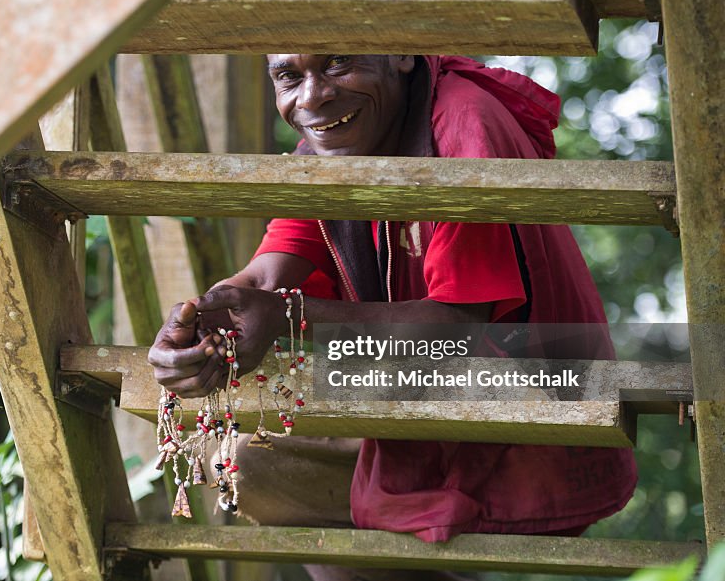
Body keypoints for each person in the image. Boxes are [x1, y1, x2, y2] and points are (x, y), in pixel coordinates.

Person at [148, 54, 637, 581]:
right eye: (289, 76)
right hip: (415, 410)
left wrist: (287, 315)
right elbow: (265, 279)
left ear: (401, 53)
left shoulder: (463, 122)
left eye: (338, 64)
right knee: (252, 463)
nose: (311, 98)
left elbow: (460, 327)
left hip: (526, 418)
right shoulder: (330, 142)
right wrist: (202, 327)